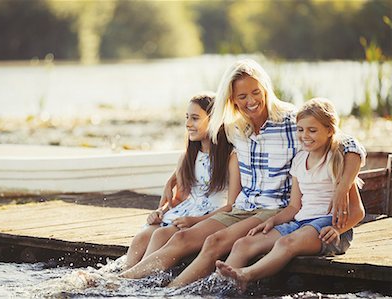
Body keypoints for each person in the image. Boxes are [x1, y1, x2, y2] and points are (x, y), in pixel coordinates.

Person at [119, 59, 365, 287]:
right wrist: (174, 178)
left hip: (275, 209)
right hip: (241, 207)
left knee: (216, 242)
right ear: (232, 99)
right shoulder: (235, 127)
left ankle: (175, 291)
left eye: (256, 92)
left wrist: (344, 186)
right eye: (242, 96)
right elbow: (201, 142)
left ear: (266, 89)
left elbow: (350, 145)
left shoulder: (292, 121)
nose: (251, 101)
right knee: (181, 239)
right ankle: (123, 282)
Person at [215, 98, 365, 290]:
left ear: (329, 131)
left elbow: (358, 212)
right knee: (243, 244)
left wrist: (337, 230)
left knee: (286, 243)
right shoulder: (299, 160)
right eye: (300, 129)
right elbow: (294, 206)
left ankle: (246, 275)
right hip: (300, 223)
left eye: (313, 130)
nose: (305, 136)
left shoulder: (337, 162)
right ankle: (219, 288)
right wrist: (271, 221)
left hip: (329, 229)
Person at [123, 93, 241, 270]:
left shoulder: (230, 158)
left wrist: (194, 220)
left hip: (209, 216)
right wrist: (160, 211)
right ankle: (124, 274)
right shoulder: (188, 157)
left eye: (195, 118)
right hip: (185, 212)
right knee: (143, 235)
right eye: (187, 118)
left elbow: (231, 206)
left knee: (160, 235)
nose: (188, 124)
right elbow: (177, 199)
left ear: (215, 120)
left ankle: (136, 279)